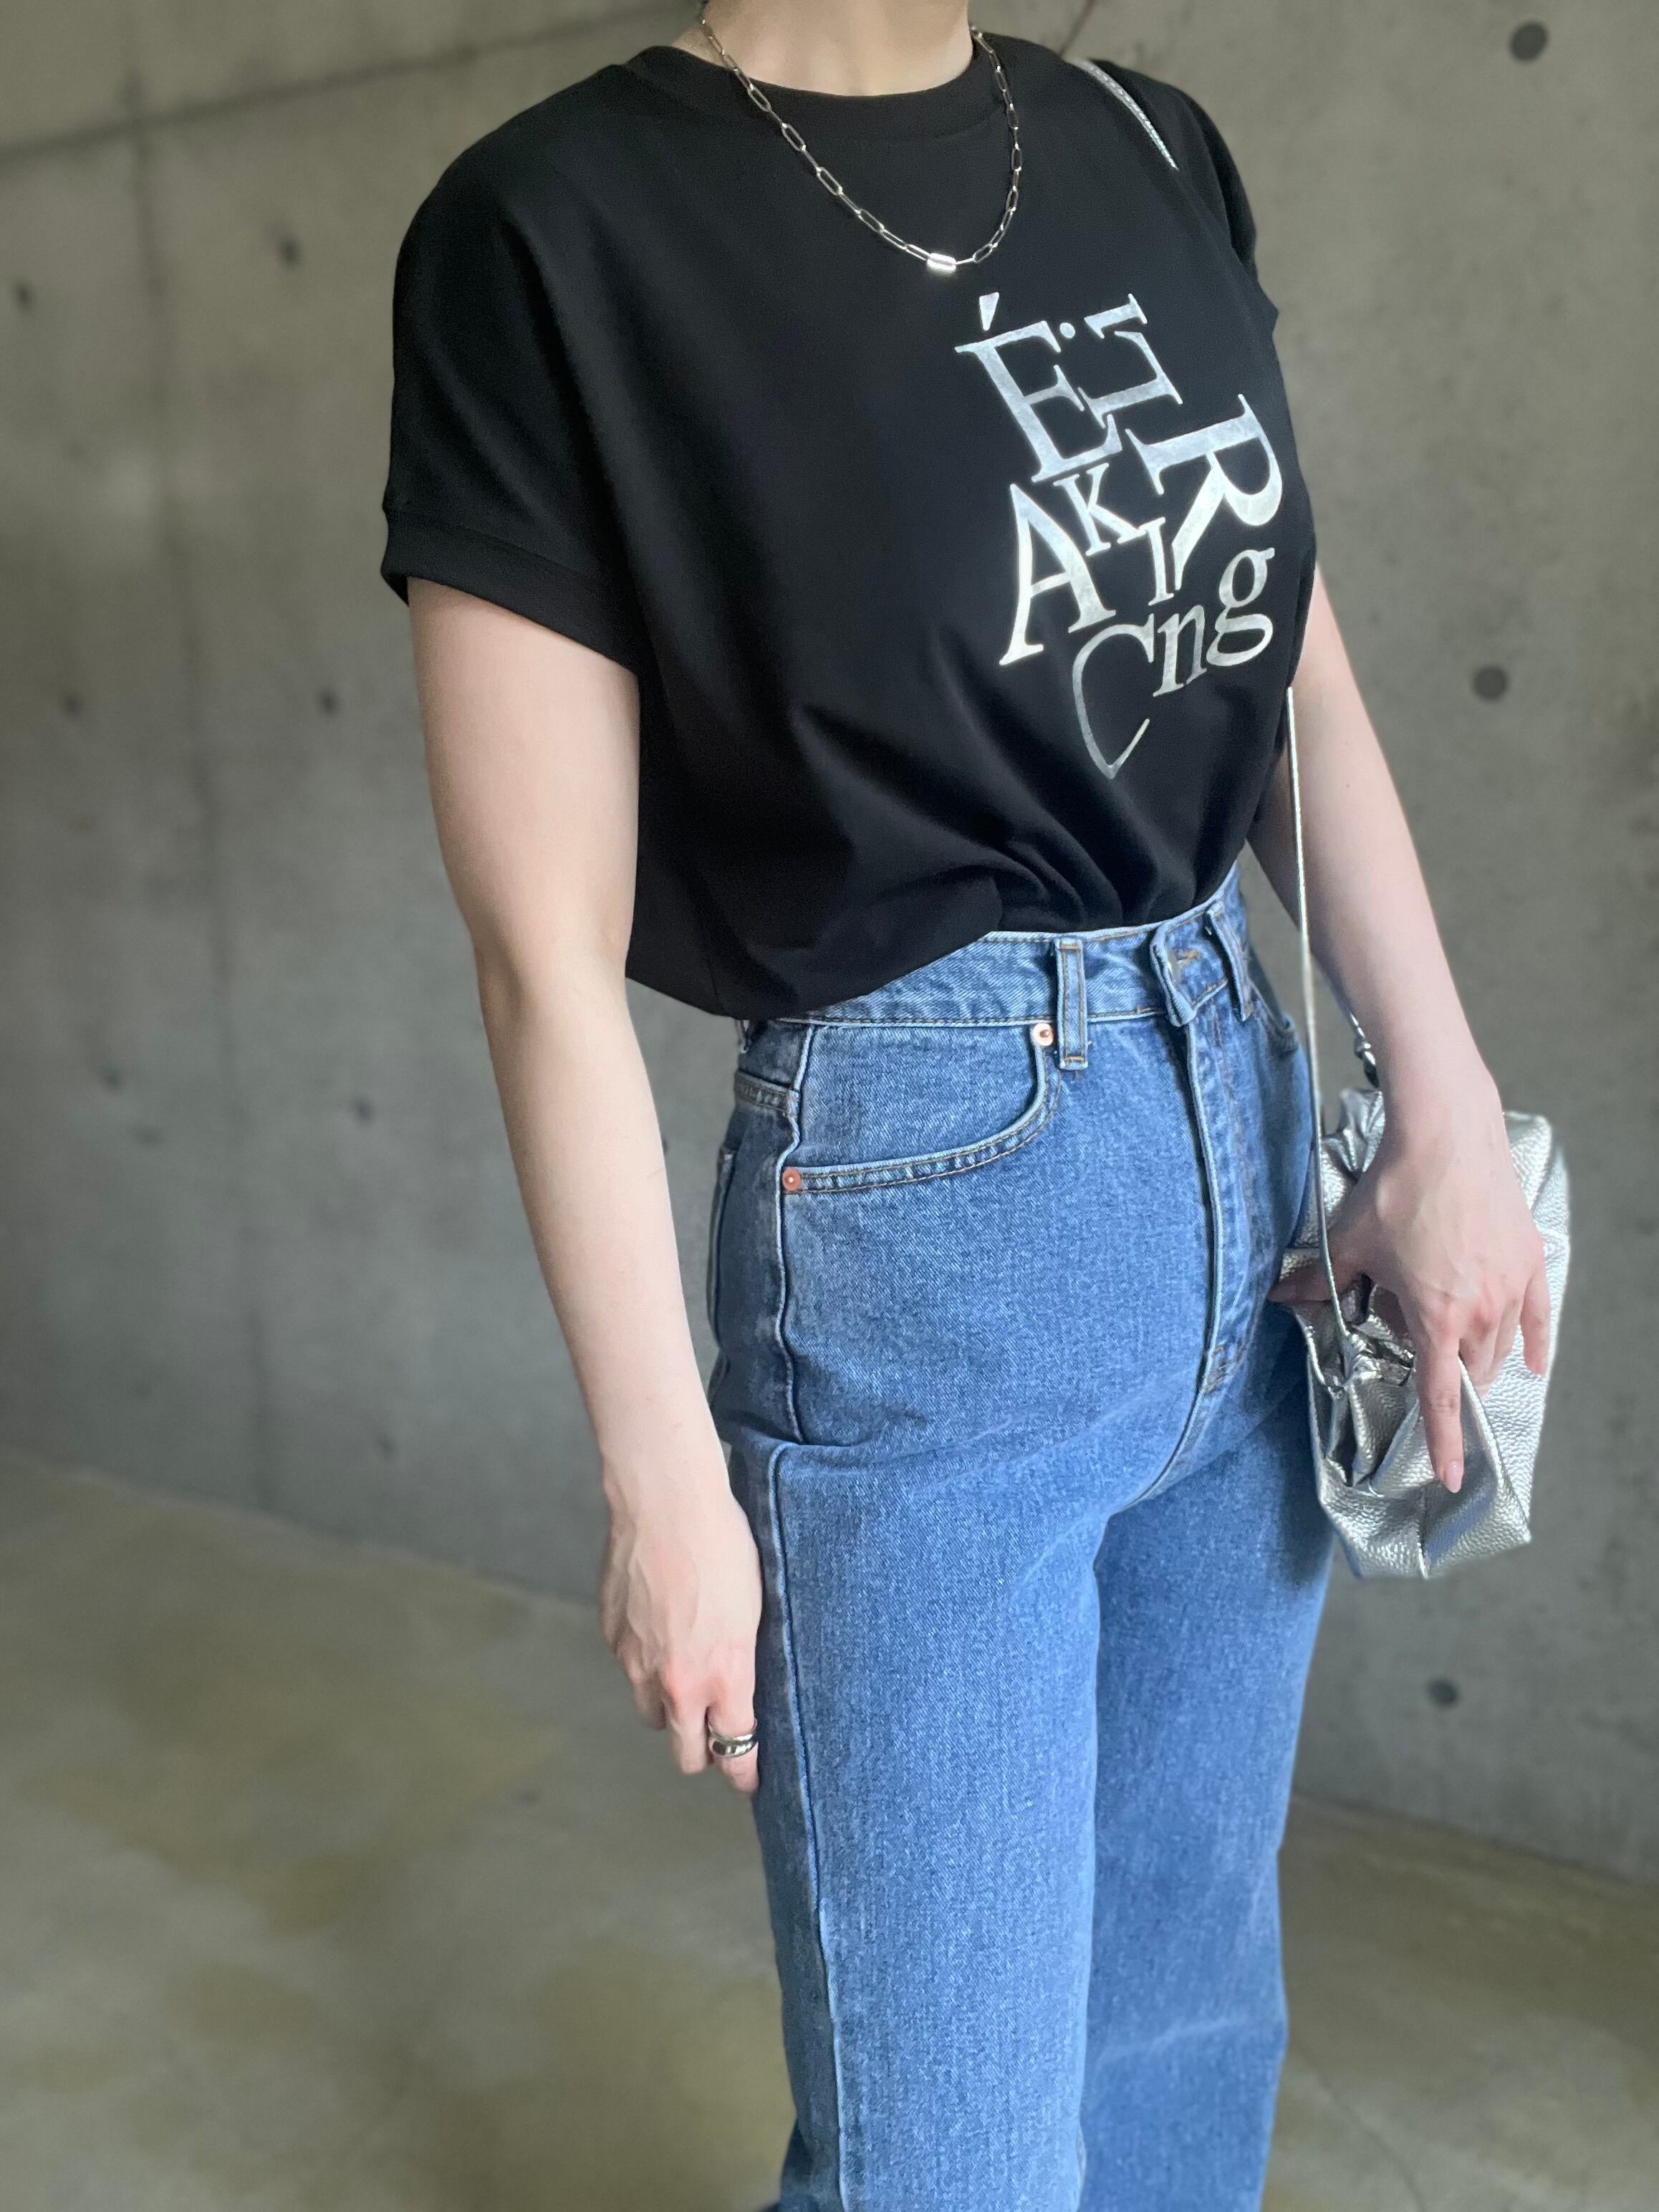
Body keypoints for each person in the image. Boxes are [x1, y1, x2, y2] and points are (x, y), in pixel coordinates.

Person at [378, 6, 1552, 2206]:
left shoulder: (1137, 139)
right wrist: (661, 1477)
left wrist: (1446, 1105)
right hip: (923, 1196)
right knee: (950, 2147)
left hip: (1236, 1123)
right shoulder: (555, 231)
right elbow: (542, 948)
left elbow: (1288, 669)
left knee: (1181, 2012)